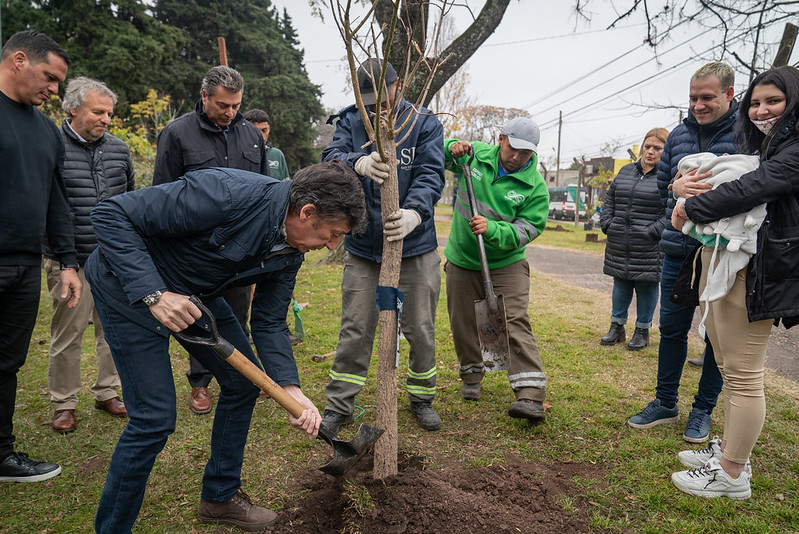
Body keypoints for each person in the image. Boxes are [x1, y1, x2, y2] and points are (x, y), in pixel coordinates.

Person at [85, 161, 367, 532]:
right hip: (127, 288)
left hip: (193, 292)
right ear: (307, 212)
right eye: (332, 234)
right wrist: (154, 293)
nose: (332, 245)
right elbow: (110, 214)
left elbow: (268, 320)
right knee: (154, 420)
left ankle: (219, 498)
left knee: (242, 385)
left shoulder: (291, 251)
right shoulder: (225, 192)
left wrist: (290, 387)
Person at [669, 65, 799, 499]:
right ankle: (728, 450)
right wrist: (681, 189)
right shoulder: (764, 143)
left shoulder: (793, 148)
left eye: (773, 102)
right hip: (736, 262)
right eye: (756, 102)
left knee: (743, 374)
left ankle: (732, 474)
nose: (762, 110)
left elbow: (753, 187)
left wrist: (692, 207)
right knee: (726, 362)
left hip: (762, 269)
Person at [320, 59, 445, 432]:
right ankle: (340, 405)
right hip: (364, 246)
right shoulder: (351, 121)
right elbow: (330, 158)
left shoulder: (424, 122)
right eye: (368, 99)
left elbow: (430, 173)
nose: (377, 106)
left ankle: (422, 397)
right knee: (355, 328)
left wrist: (416, 213)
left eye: (383, 95)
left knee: (420, 328)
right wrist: (356, 162)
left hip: (416, 246)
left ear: (399, 84)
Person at [627, 62, 737, 443]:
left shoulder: (746, 133)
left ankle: (702, 411)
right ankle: (665, 402)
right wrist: (676, 187)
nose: (698, 105)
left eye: (707, 97)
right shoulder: (676, 137)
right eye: (693, 97)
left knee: (716, 339)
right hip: (678, 251)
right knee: (672, 330)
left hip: (723, 255)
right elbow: (662, 192)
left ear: (729, 93)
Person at [153, 65, 268, 415]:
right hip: (195, 248)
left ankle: (243, 375)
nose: (230, 112)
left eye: (235, 105)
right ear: (204, 97)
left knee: (237, 313)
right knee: (198, 316)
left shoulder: (251, 134)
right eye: (222, 105)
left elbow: (264, 189)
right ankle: (200, 382)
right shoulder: (177, 133)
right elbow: (162, 195)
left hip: (239, 247)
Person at [0, 29, 80, 483]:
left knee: (7, 364)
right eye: (48, 77)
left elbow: (56, 201)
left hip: (26, 265)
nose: (53, 90)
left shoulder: (46, 132)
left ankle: (2, 454)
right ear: (17, 61)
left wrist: (67, 262)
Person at [444, 117, 549, 422]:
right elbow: (437, 152)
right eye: (514, 149)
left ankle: (530, 393)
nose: (517, 157)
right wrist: (453, 147)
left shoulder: (535, 187)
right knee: (463, 321)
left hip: (506, 263)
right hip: (463, 258)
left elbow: (527, 230)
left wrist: (493, 230)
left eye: (525, 154)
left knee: (512, 319)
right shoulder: (474, 156)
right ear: (501, 139)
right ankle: (472, 375)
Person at [44, 76, 134, 434]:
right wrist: (61, 256)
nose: (106, 119)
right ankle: (64, 402)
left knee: (113, 331)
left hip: (111, 259)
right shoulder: (51, 145)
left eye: (110, 113)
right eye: (99, 112)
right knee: (69, 333)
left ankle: (107, 390)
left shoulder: (119, 149)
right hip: (69, 259)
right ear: (73, 109)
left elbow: (129, 201)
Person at [599, 128, 669, 350]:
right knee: (620, 282)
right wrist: (607, 223)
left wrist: (653, 231)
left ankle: (642, 330)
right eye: (647, 147)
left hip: (649, 243)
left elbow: (671, 210)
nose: (650, 152)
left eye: (657, 148)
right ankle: (616, 327)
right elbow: (610, 198)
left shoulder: (668, 176)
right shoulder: (627, 171)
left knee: (646, 285)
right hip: (620, 239)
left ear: (666, 151)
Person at [244, 108, 291, 180]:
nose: (261, 136)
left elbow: (285, 185)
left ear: (269, 129)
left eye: (264, 130)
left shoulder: (277, 155)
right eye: (255, 131)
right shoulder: (237, 154)